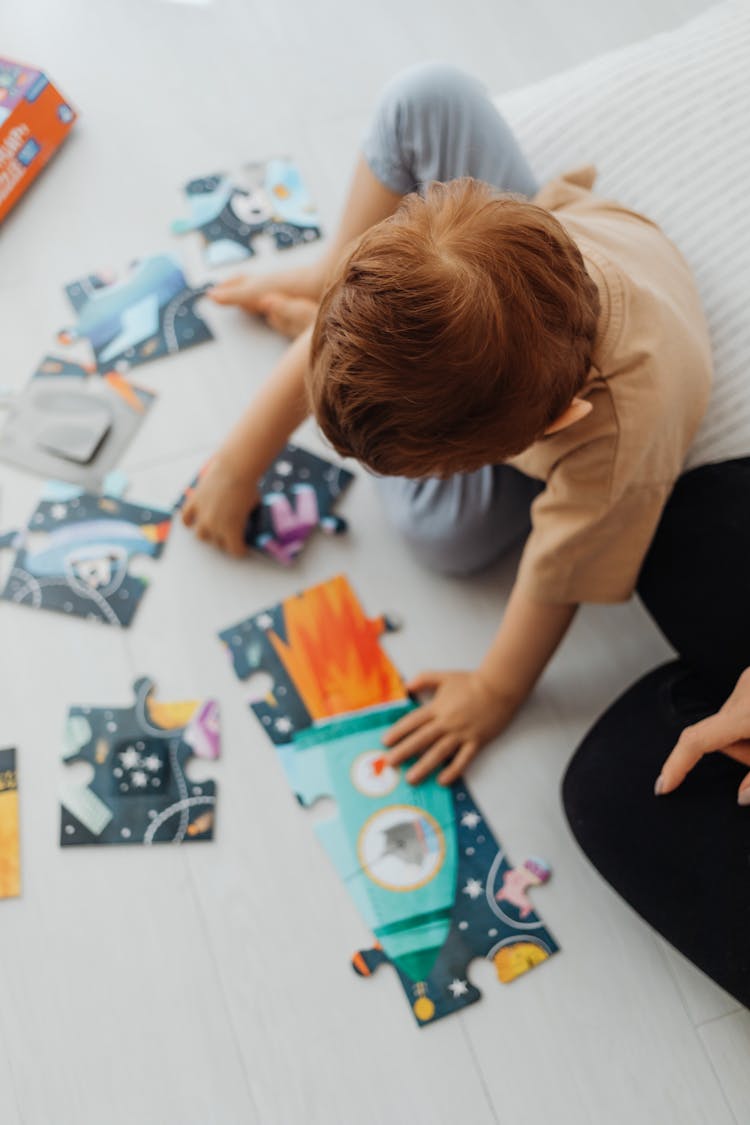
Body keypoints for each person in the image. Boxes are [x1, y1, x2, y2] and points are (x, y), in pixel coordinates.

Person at [183, 63, 712, 786]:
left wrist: (494, 692)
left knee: (444, 537)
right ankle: (329, 274)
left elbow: (563, 571)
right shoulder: (493, 237)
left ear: (554, 424)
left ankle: (337, 308)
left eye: (434, 464)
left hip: (578, 357)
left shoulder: (614, 437)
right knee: (427, 96)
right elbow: (387, 324)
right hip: (531, 278)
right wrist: (238, 465)